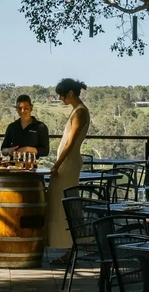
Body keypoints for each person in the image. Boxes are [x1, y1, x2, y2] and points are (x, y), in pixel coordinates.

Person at [45, 78, 90, 259]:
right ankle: (68, 245)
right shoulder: (76, 111)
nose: (61, 99)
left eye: (62, 96)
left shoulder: (80, 113)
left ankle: (74, 245)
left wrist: (56, 165)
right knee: (59, 202)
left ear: (70, 93)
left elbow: (70, 143)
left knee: (68, 204)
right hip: (66, 163)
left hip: (68, 165)